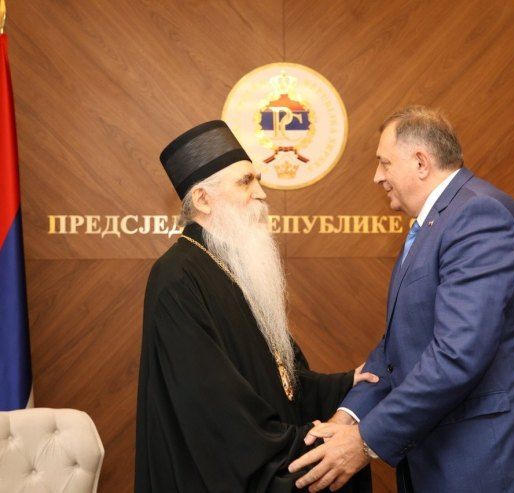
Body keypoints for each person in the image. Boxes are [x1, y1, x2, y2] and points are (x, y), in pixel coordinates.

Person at [289, 106, 514, 492]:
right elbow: (398, 347)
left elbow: (458, 353)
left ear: (421, 162)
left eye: (384, 163)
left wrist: (364, 440)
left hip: (491, 459)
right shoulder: (438, 222)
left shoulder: (479, 216)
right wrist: (348, 417)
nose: (377, 176)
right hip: (447, 453)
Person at [135, 120, 375, 492]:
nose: (261, 194)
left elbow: (280, 375)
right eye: (246, 182)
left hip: (260, 443)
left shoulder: (237, 266)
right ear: (203, 199)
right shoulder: (177, 278)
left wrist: (345, 383)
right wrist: (294, 443)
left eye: (258, 180)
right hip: (219, 468)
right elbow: (209, 403)